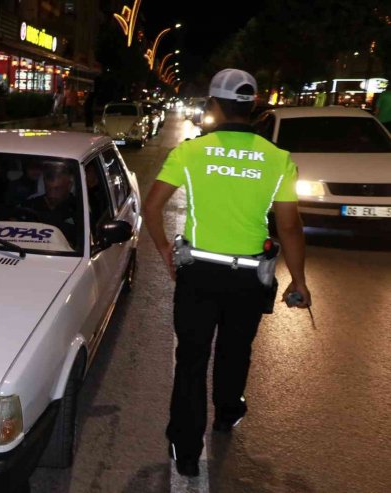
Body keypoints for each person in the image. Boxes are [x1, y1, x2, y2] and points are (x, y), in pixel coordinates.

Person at [143, 68, 311, 477]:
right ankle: (227, 413)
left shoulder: (190, 151)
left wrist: (166, 250)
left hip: (199, 273)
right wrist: (300, 280)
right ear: (253, 107)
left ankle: (185, 449)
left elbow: (151, 208)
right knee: (236, 350)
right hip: (249, 278)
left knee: (192, 358)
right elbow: (289, 227)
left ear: (214, 106)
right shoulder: (277, 159)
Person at [22, 162, 77, 245]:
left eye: (57, 189)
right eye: (49, 189)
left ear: (69, 186)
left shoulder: (79, 208)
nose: (52, 195)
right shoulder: (31, 205)